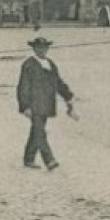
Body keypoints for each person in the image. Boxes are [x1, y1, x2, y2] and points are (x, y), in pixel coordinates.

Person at [16, 36, 76, 171]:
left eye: (44, 48)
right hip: (34, 104)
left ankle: (29, 158)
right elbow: (23, 86)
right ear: (34, 49)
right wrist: (25, 106)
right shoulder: (29, 65)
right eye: (39, 48)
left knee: (36, 131)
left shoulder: (50, 64)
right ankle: (49, 160)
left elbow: (58, 83)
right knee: (40, 132)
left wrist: (68, 95)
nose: (42, 50)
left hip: (47, 104)